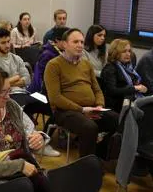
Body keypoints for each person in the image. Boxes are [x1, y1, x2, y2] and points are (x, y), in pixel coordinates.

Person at [44, 28, 119, 158]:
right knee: (89, 127)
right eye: (75, 42)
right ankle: (87, 165)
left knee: (118, 120)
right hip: (65, 112)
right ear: (65, 44)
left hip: (91, 109)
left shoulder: (86, 64)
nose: (80, 45)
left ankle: (100, 154)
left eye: (82, 42)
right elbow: (55, 98)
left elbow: (97, 90)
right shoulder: (53, 65)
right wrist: (82, 110)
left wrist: (99, 106)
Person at [0, 28, 57, 156]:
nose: (7, 45)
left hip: (25, 93)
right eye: (3, 43)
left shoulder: (16, 58)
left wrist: (9, 81)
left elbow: (27, 79)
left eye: (8, 41)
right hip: (8, 96)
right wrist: (16, 78)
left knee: (49, 102)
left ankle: (47, 136)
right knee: (20, 110)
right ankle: (35, 144)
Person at [101, 39, 147, 113]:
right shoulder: (110, 68)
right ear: (115, 53)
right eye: (124, 51)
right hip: (117, 104)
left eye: (129, 51)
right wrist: (135, 88)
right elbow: (112, 91)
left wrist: (142, 88)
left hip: (130, 101)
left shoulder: (128, 68)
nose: (128, 54)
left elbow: (135, 85)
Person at [28, 26, 69, 94]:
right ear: (57, 40)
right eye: (66, 41)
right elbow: (46, 79)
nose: (68, 43)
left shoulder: (60, 51)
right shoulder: (47, 55)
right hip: (44, 92)